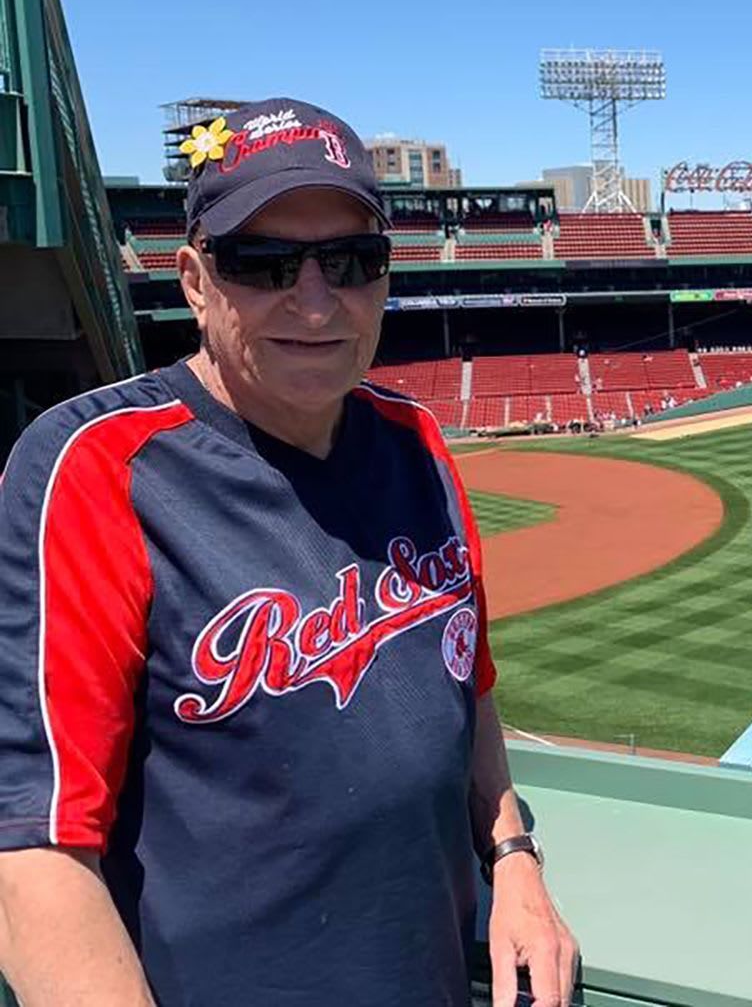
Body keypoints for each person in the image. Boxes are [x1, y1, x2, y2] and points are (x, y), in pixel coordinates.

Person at [0, 99, 576, 1007]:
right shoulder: (95, 467)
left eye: (350, 261)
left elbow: (467, 687)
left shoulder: (418, 443)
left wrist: (513, 854)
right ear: (195, 281)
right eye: (262, 263)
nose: (314, 301)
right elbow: (32, 848)